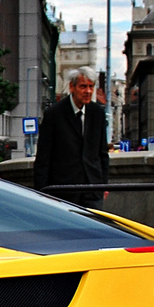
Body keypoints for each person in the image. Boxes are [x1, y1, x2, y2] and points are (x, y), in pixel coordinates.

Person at [33, 67, 110, 207]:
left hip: (92, 189)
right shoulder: (54, 114)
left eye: (91, 87)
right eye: (83, 86)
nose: (88, 91)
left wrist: (104, 184)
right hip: (63, 190)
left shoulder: (97, 113)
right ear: (72, 87)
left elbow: (102, 153)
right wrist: (42, 191)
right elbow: (43, 157)